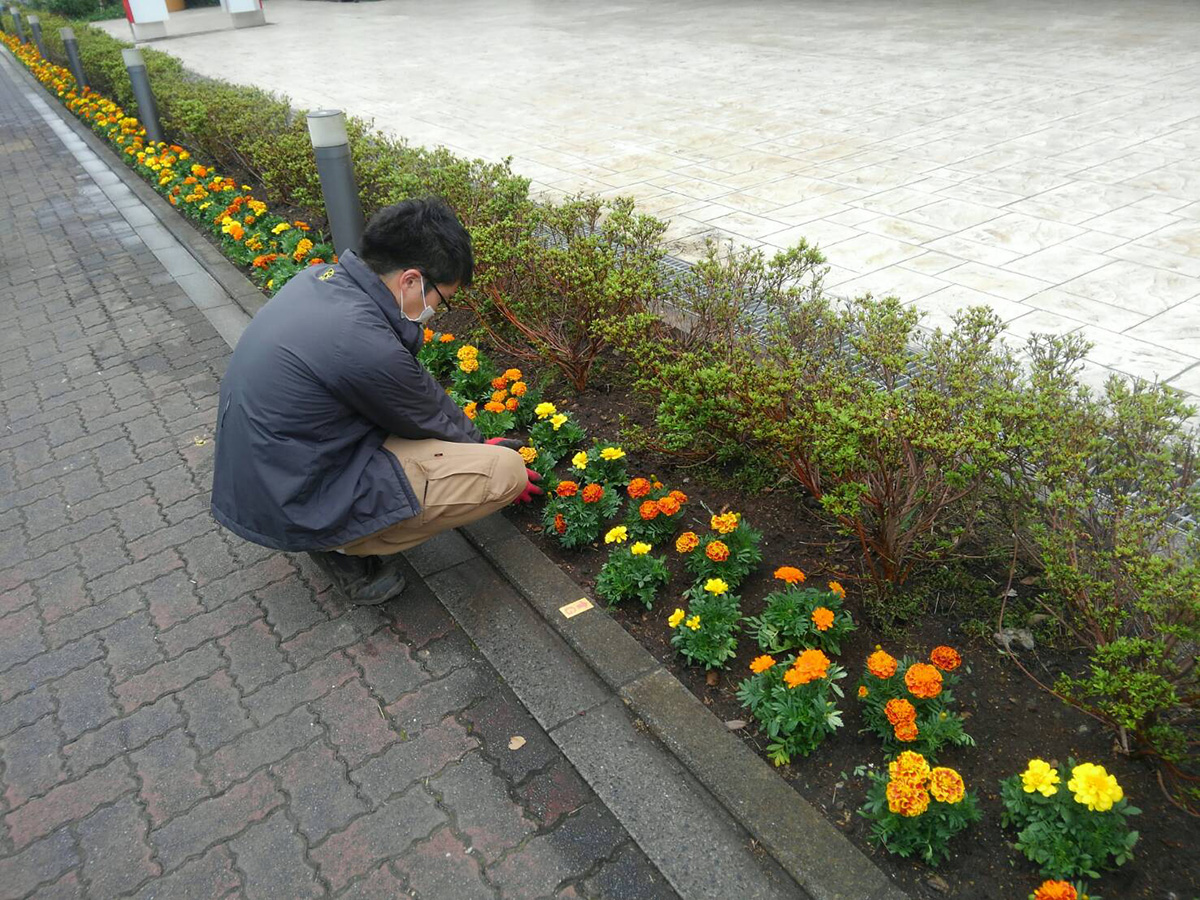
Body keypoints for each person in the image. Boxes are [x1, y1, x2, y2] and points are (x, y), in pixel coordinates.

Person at [210, 197, 542, 604]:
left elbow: (416, 398)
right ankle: (345, 545)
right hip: (297, 498)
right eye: (441, 299)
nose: (438, 310)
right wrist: (482, 452)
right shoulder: (361, 338)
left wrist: (468, 442)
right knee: (505, 472)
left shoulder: (321, 280)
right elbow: (424, 410)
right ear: (410, 281)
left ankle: (336, 530)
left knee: (443, 446)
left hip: (274, 472)